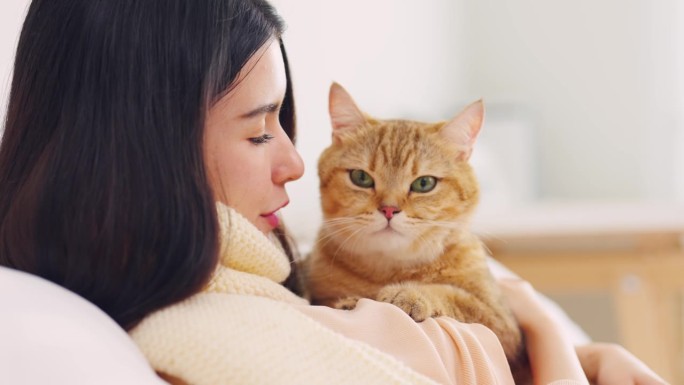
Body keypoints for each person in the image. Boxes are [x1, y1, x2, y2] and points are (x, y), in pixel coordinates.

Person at [0, 1, 668, 384]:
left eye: (285, 126)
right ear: (144, 141)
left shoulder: (253, 274)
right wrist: (547, 331)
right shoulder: (208, 327)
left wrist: (578, 347)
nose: (294, 163)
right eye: (261, 132)